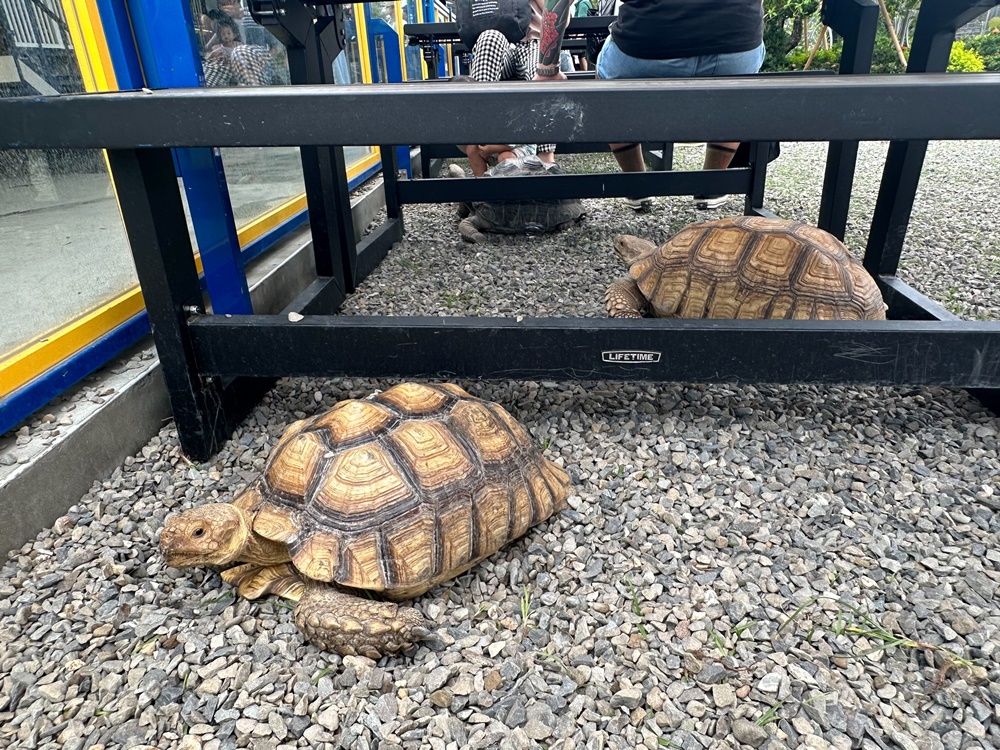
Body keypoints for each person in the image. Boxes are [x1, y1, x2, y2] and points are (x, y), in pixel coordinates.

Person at [535, 0, 766, 211]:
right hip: (739, 45)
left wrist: (548, 70)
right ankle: (711, 182)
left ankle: (637, 184)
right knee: (737, 87)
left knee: (609, 85)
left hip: (647, 43)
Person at [467, 0, 556, 164]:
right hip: (498, 36)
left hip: (534, 39)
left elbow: (559, 15)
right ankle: (482, 141)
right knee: (489, 38)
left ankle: (546, 156)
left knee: (540, 62)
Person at [451, 76, 539, 176]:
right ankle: (483, 184)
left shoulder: (494, 110)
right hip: (492, 149)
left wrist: (494, 148)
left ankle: (510, 187)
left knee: (505, 158)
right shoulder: (464, 118)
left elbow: (518, 136)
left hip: (519, 147)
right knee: (471, 149)